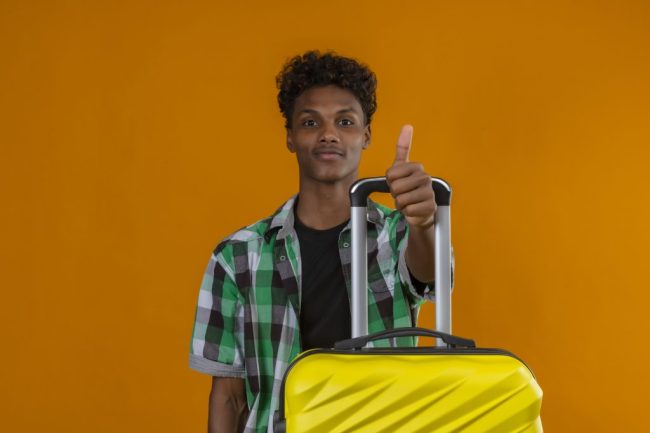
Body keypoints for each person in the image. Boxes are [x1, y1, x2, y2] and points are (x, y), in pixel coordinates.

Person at [190, 50, 444, 433]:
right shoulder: (238, 255)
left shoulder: (397, 234)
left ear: (366, 136)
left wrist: (425, 223)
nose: (329, 133)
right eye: (311, 122)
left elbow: (428, 274)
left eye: (345, 121)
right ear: (290, 137)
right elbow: (229, 396)